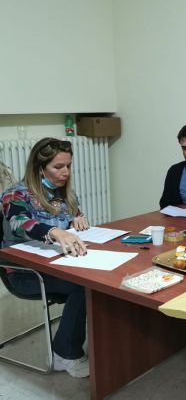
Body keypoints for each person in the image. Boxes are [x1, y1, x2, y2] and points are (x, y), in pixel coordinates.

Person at [1, 137, 90, 378]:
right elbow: (19, 223)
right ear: (39, 168)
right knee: (84, 286)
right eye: (58, 167)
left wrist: (77, 221)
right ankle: (65, 354)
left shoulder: (65, 195)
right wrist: (54, 232)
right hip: (25, 273)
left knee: (100, 280)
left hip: (59, 265)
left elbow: (74, 218)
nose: (65, 172)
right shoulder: (15, 194)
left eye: (68, 165)